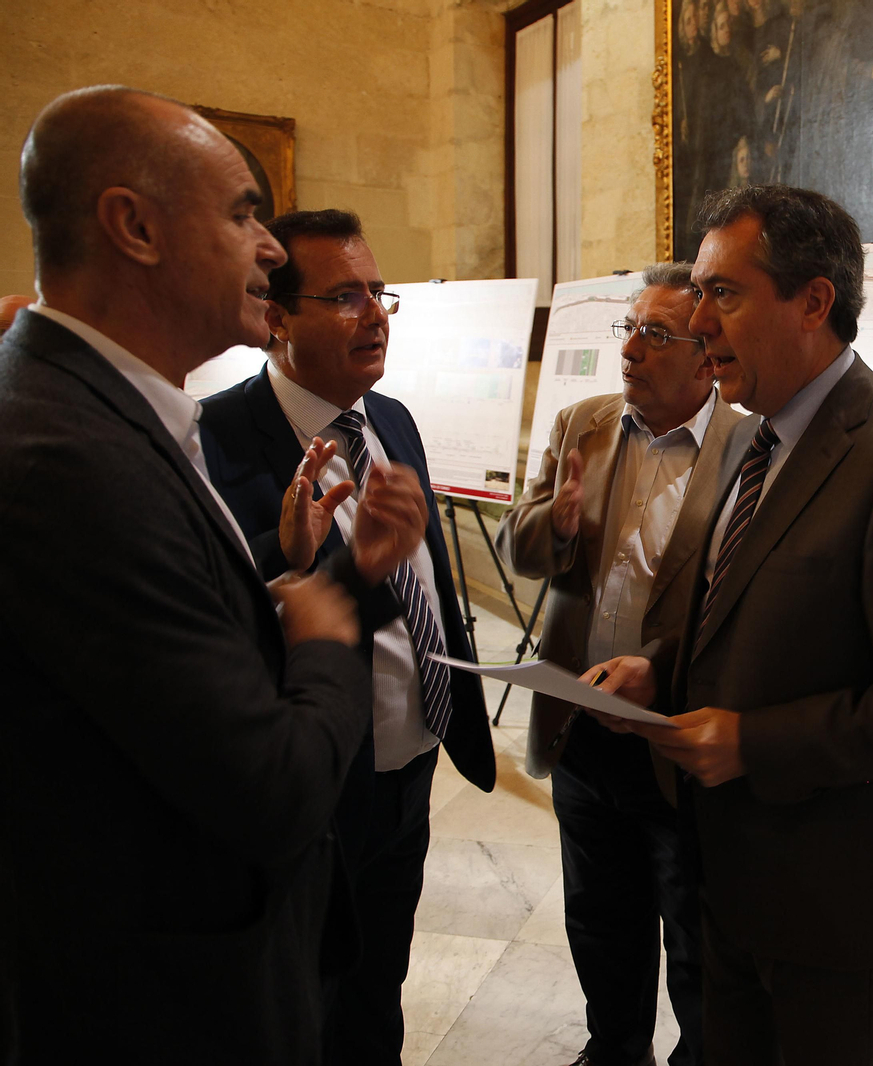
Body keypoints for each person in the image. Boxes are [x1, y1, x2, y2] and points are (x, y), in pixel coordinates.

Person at [0, 86, 428, 1063]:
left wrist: (297, 586)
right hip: (154, 1002)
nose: (270, 249)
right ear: (134, 226)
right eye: (242, 213)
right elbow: (273, 787)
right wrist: (321, 615)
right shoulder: (69, 457)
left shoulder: (98, 411)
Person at [588, 185, 873, 1066]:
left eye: (723, 294)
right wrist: (661, 670)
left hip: (831, 894)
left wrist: (753, 743)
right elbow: (737, 606)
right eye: (698, 292)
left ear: (814, 301)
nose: (696, 323)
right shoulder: (751, 435)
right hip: (726, 869)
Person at [200, 208, 497, 1064]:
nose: (373, 313)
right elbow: (221, 614)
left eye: (378, 293)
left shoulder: (390, 418)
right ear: (276, 318)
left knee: (378, 994)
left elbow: (424, 580)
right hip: (313, 785)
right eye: (343, 296)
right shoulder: (214, 441)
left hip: (408, 771)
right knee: (303, 1005)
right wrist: (285, 553)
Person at [495, 261, 743, 1066]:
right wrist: (558, 524)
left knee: (693, 933)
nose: (631, 349)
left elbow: (744, 614)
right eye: (628, 328)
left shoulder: (747, 446)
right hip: (580, 724)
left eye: (656, 334)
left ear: (706, 356)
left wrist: (665, 679)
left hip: (674, 735)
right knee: (600, 918)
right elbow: (520, 549)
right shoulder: (583, 424)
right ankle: (614, 1050)